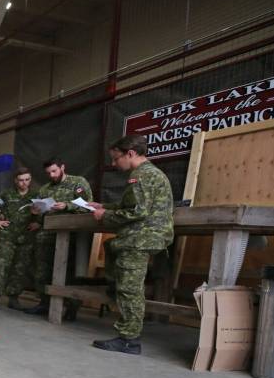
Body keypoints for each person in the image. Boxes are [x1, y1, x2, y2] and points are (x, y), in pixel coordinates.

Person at [89, 135, 174, 354]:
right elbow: (131, 204)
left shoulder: (140, 176)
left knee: (130, 289)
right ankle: (114, 291)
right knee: (114, 256)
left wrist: (104, 216)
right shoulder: (150, 173)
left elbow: (137, 211)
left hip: (140, 238)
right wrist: (103, 205)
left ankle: (129, 339)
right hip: (146, 236)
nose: (114, 163)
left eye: (116, 158)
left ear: (131, 154)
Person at [23, 158, 93, 318]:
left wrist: (67, 205)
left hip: (71, 236)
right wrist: (36, 213)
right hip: (46, 236)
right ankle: (44, 303)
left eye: (54, 171)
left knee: (68, 272)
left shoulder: (78, 182)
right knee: (42, 271)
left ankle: (71, 308)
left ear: (62, 167)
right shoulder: (45, 188)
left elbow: (89, 205)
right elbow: (41, 212)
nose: (52, 175)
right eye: (48, 173)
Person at [0, 166, 38, 310]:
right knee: (2, 266)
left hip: (26, 238)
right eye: (21, 180)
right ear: (15, 180)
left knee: (20, 269)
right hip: (7, 238)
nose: (24, 183)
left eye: (27, 180)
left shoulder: (36, 196)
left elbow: (43, 214)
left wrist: (37, 221)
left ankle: (13, 297)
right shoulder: (7, 195)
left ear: (30, 179)